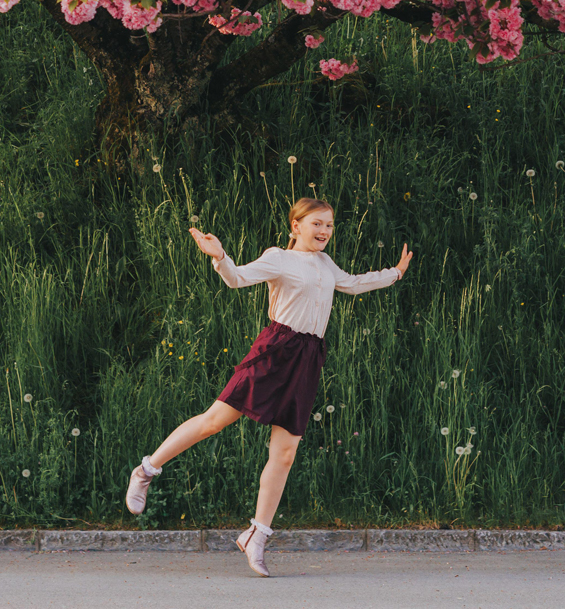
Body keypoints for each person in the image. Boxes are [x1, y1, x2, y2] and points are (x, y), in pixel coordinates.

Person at [125, 197, 413, 577]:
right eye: (316, 224)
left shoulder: (326, 263)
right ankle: (146, 469)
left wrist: (394, 273)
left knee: (286, 452)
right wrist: (220, 256)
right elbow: (237, 278)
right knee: (214, 420)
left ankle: (256, 536)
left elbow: (353, 284)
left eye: (329, 224)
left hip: (308, 358)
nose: (324, 230)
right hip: (276, 349)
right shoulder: (279, 257)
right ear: (296, 226)